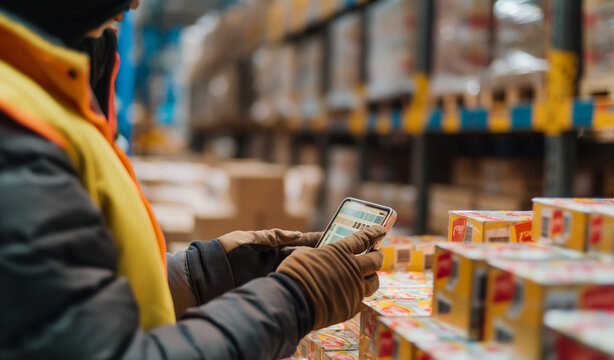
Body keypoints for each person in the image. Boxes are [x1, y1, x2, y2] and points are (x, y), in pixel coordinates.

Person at [0, 1, 386, 359]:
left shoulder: (41, 96)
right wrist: (294, 300)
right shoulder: (15, 132)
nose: (135, 3)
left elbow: (77, 292)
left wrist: (206, 273)